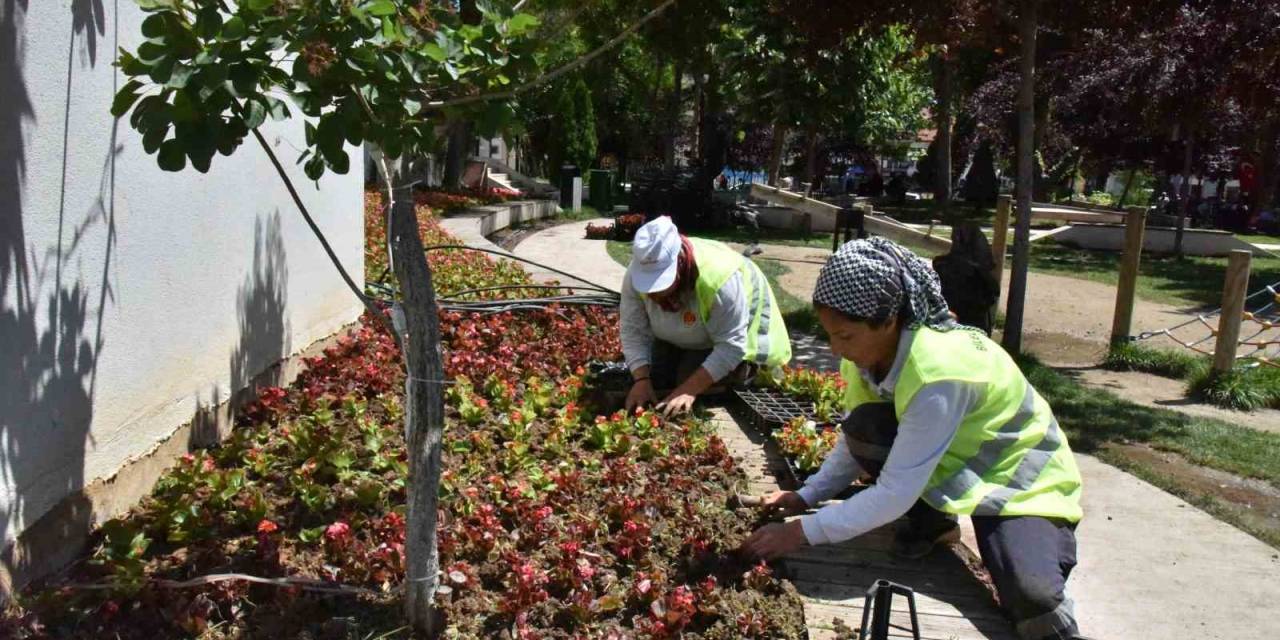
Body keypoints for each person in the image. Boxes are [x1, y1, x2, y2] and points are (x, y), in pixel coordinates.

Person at [741, 237, 1087, 640]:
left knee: (1031, 594)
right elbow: (855, 440)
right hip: (954, 466)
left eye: (846, 337)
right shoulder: (870, 356)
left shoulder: (938, 371)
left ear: (889, 320)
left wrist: (799, 532)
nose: (836, 348)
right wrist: (807, 495)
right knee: (870, 424)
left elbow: (893, 493)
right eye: (830, 334)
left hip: (1022, 482)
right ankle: (932, 523)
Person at [620, 217, 792, 416]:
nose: (654, 294)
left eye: (660, 284)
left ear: (678, 262)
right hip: (694, 332)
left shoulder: (719, 280)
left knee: (686, 380)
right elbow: (632, 329)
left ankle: (746, 371)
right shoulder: (636, 273)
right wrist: (641, 380)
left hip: (739, 337)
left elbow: (731, 346)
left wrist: (688, 390)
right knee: (659, 379)